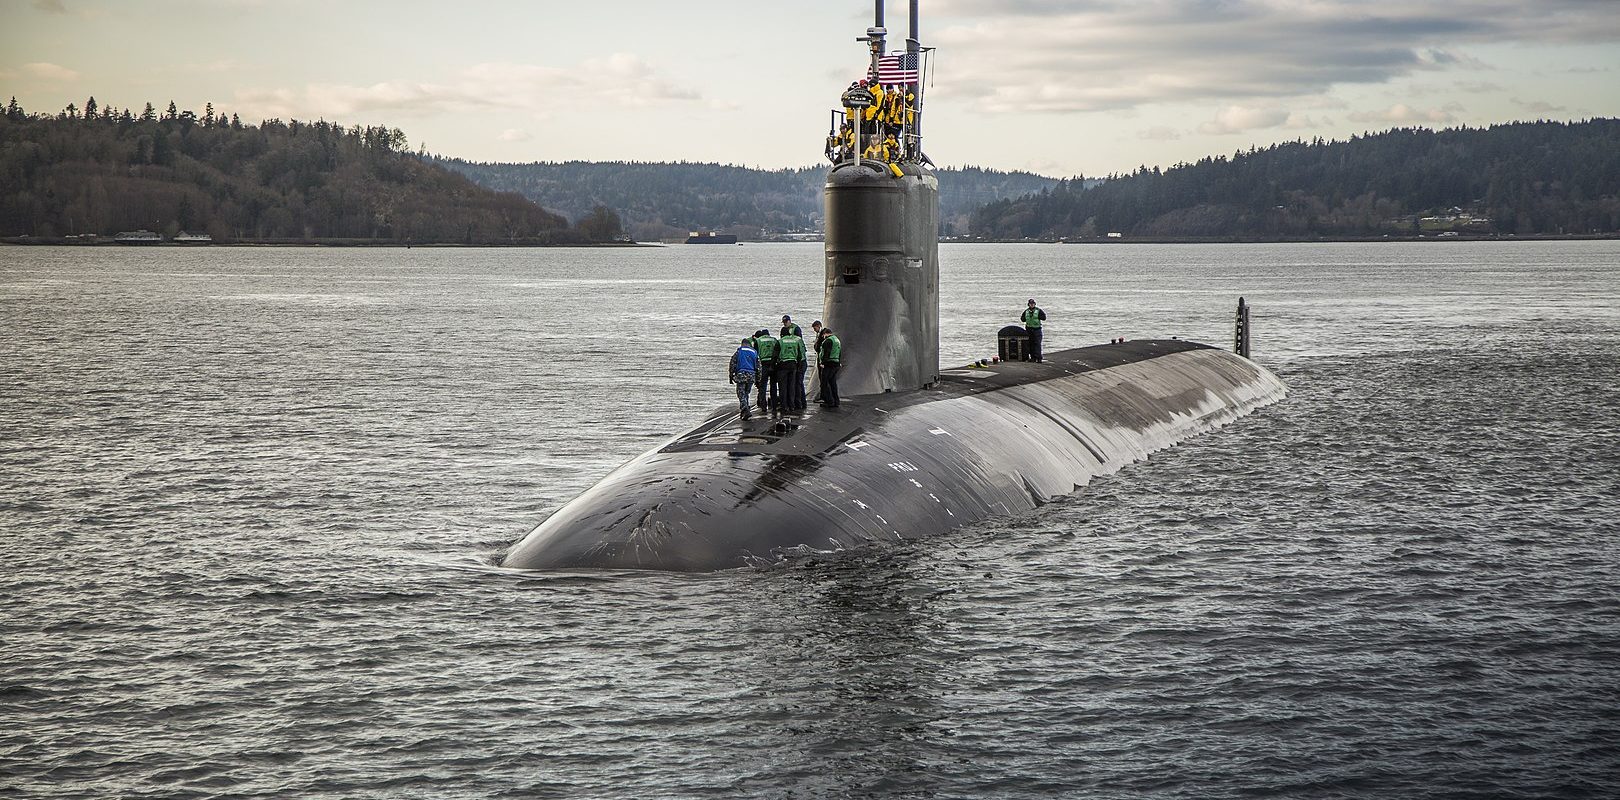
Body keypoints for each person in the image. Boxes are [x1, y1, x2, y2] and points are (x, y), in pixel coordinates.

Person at [728, 337, 760, 421]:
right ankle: (746, 408)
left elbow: (732, 364)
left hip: (741, 374)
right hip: (751, 375)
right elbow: (758, 367)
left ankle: (745, 409)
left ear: (742, 344)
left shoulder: (739, 351)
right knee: (746, 393)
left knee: (741, 393)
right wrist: (758, 378)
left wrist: (731, 376)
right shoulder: (754, 352)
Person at [777, 324, 808, 411]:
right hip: (796, 364)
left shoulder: (781, 341)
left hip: (784, 365)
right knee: (795, 385)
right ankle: (795, 404)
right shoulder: (797, 340)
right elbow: (800, 353)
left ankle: (785, 405)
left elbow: (776, 355)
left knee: (784, 386)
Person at [751, 328, 779, 411]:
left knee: (763, 386)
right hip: (773, 365)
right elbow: (777, 352)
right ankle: (774, 406)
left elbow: (755, 355)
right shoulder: (774, 340)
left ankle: (763, 405)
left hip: (763, 365)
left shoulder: (758, 341)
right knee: (773, 385)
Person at [817, 326, 842, 408]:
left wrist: (823, 363)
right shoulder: (837, 340)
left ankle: (829, 401)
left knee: (824, 383)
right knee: (832, 383)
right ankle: (836, 401)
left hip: (828, 364)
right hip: (835, 364)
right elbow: (839, 352)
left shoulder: (828, 341)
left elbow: (826, 353)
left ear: (825, 334)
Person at [1021, 298, 1047, 362]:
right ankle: (1033, 357)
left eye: (1033, 304)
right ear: (1028, 304)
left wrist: (1038, 317)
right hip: (1029, 330)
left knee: (1037, 344)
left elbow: (1044, 317)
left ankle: (1039, 358)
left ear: (1035, 304)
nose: (1032, 305)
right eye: (1030, 304)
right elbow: (1022, 319)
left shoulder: (1038, 310)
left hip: (1037, 329)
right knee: (1030, 344)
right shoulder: (1026, 311)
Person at [810, 320, 827, 403]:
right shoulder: (819, 334)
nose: (814, 330)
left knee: (822, 376)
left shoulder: (823, 333)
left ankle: (824, 395)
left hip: (822, 358)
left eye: (815, 328)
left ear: (818, 326)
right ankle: (823, 394)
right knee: (821, 376)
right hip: (820, 356)